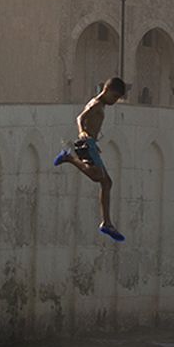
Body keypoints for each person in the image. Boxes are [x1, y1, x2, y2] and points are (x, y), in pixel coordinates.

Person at [53, 76, 128, 241]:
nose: (115, 101)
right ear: (107, 90)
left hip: (92, 145)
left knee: (107, 182)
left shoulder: (101, 104)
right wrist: (82, 132)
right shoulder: (95, 104)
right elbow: (80, 118)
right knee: (98, 177)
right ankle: (69, 157)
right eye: (114, 97)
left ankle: (107, 223)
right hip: (86, 144)